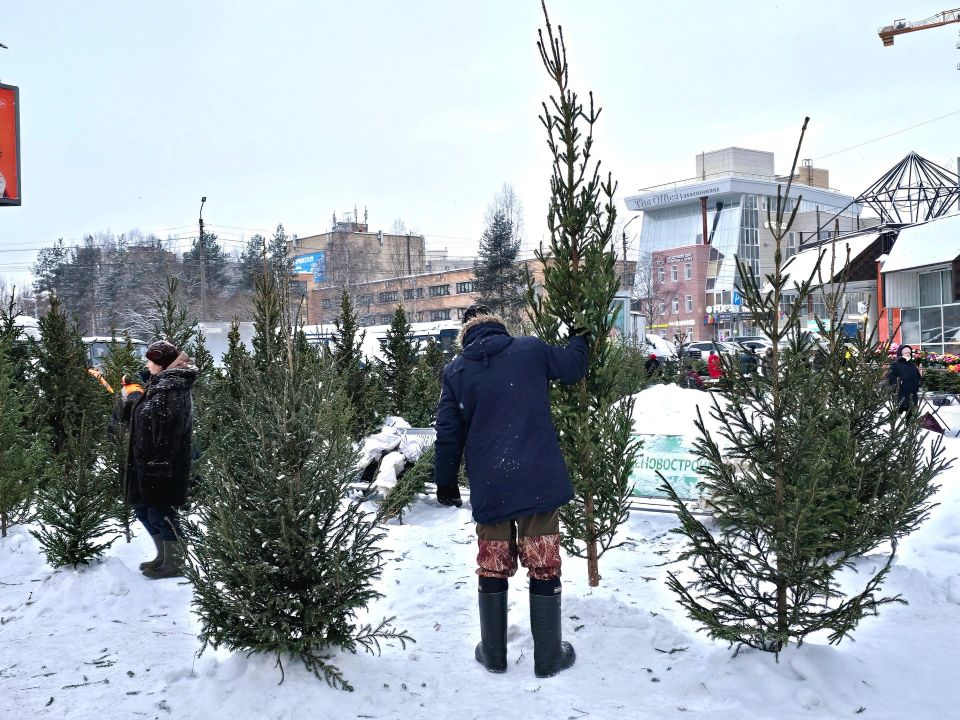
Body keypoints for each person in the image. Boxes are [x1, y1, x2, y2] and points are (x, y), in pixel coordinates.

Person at [434, 304, 589, 678]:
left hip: (492, 484)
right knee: (543, 560)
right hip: (537, 478)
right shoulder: (531, 350)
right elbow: (572, 368)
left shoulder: (456, 371)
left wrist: (446, 481)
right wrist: (580, 336)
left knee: (493, 561)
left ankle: (493, 653)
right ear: (499, 327)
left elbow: (448, 433)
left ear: (465, 335)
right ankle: (549, 656)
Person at [125, 341, 197, 579]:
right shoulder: (157, 384)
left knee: (160, 512)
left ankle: (175, 562)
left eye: (150, 361)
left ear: (161, 364)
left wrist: (159, 464)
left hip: (163, 466)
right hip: (145, 464)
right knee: (143, 510)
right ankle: (162, 555)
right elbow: (144, 416)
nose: (147, 365)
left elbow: (170, 431)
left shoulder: (173, 389)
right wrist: (131, 400)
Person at [887, 344, 921, 413]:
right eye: (905, 353)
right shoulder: (895, 365)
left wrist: (918, 383)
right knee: (896, 417)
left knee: (911, 418)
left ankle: (909, 423)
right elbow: (891, 378)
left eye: (909, 353)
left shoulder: (912, 365)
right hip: (900, 396)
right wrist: (897, 385)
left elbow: (918, 377)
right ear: (901, 353)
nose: (908, 354)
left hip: (912, 395)